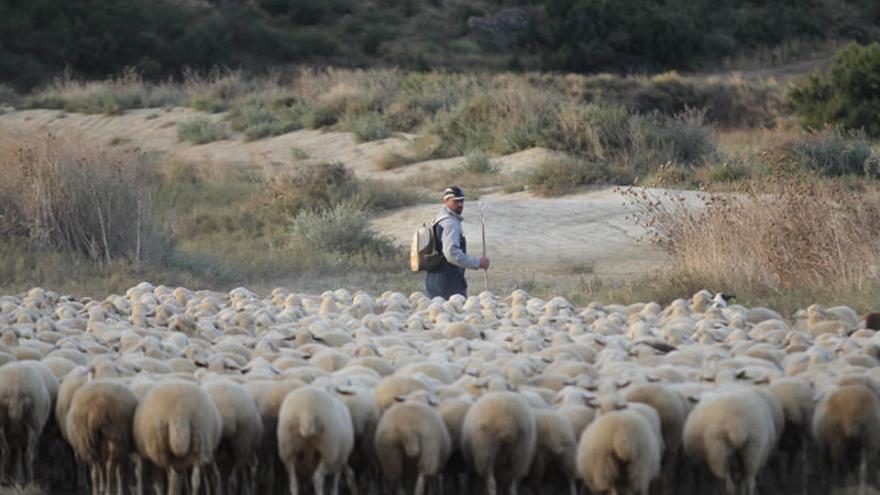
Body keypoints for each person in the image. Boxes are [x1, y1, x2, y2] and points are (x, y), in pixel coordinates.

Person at [425, 185, 490, 299]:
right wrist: (478, 263)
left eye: (462, 201)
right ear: (445, 201)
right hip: (449, 283)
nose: (460, 204)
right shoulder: (450, 223)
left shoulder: (438, 220)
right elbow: (451, 253)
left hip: (433, 281)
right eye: (455, 201)